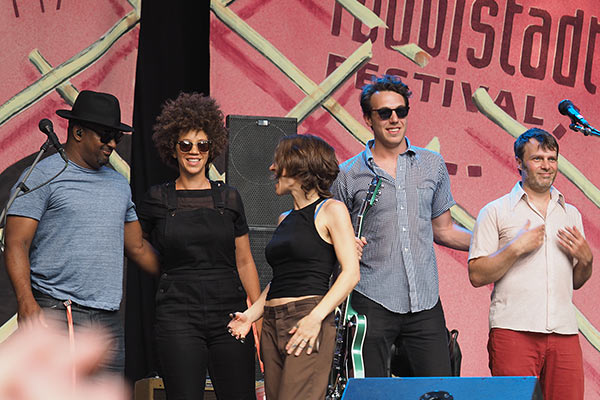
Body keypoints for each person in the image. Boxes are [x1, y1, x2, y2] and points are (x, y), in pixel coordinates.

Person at [3, 90, 159, 375]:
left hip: (107, 321)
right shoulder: (42, 175)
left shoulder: (119, 184)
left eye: (117, 137)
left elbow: (136, 246)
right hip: (57, 311)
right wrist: (26, 301)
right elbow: (16, 242)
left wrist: (185, 269)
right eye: (105, 135)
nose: (112, 143)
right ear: (77, 132)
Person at [331, 74, 472, 377]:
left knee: (439, 393)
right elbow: (326, 229)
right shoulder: (348, 173)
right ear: (368, 118)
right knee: (371, 396)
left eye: (401, 111)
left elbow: (444, 230)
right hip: (371, 300)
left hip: (424, 302)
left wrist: (492, 242)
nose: (394, 119)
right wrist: (341, 244)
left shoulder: (432, 164)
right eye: (385, 113)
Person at [137, 92, 261, 400]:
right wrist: (164, 270)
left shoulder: (229, 197)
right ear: (173, 148)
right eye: (186, 144)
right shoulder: (157, 198)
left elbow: (244, 261)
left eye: (202, 145)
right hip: (178, 314)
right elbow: (134, 244)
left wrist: (258, 316)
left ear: (212, 148)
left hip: (230, 314)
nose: (194, 151)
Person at [228, 134, 360, 400]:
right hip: (273, 325)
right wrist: (250, 316)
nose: (272, 168)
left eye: (279, 162)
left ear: (300, 167)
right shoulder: (284, 218)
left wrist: (315, 319)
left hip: (306, 318)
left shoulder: (331, 210)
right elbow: (281, 280)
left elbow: (350, 273)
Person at [468, 128, 593, 400]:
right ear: (519, 162)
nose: (546, 166)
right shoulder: (496, 210)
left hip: (565, 331)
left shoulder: (570, 213)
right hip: (514, 329)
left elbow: (576, 280)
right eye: (538, 158)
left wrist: (587, 260)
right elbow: (476, 274)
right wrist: (515, 249)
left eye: (552, 158)